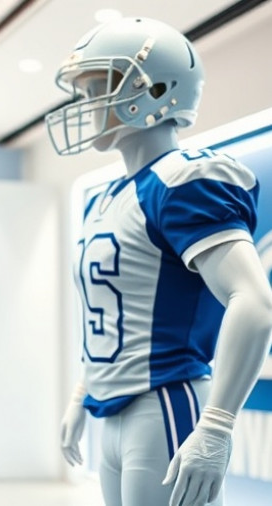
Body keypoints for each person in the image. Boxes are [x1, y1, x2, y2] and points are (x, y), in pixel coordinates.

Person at [45, 17, 272, 506]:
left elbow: (255, 301)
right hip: (111, 413)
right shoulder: (103, 197)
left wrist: (217, 425)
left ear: (155, 89)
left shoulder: (183, 180)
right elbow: (113, 315)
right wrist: (81, 393)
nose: (87, 103)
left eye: (98, 86)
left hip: (166, 401)